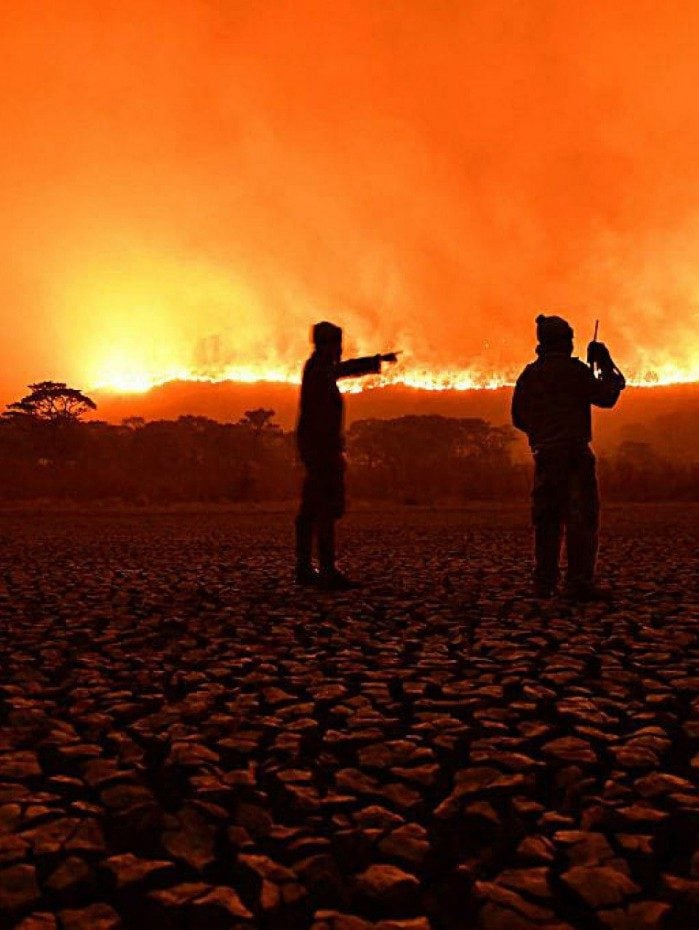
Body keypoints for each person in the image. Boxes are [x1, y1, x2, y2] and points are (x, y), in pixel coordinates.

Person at [512, 314, 625, 601]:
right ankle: (578, 584)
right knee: (581, 519)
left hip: (545, 456)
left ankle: (544, 582)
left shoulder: (530, 374)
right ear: (566, 341)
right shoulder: (574, 371)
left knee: (547, 520)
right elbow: (608, 396)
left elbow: (518, 417)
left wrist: (542, 433)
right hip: (574, 456)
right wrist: (606, 363)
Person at [295, 321, 398, 589]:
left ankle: (306, 568)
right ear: (327, 345)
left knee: (312, 509)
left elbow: (342, 369)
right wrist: (329, 452)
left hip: (317, 449)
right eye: (337, 344)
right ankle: (325, 571)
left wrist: (375, 361)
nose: (339, 350)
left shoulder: (319, 368)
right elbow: (320, 415)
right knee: (325, 508)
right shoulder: (319, 370)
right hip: (321, 451)